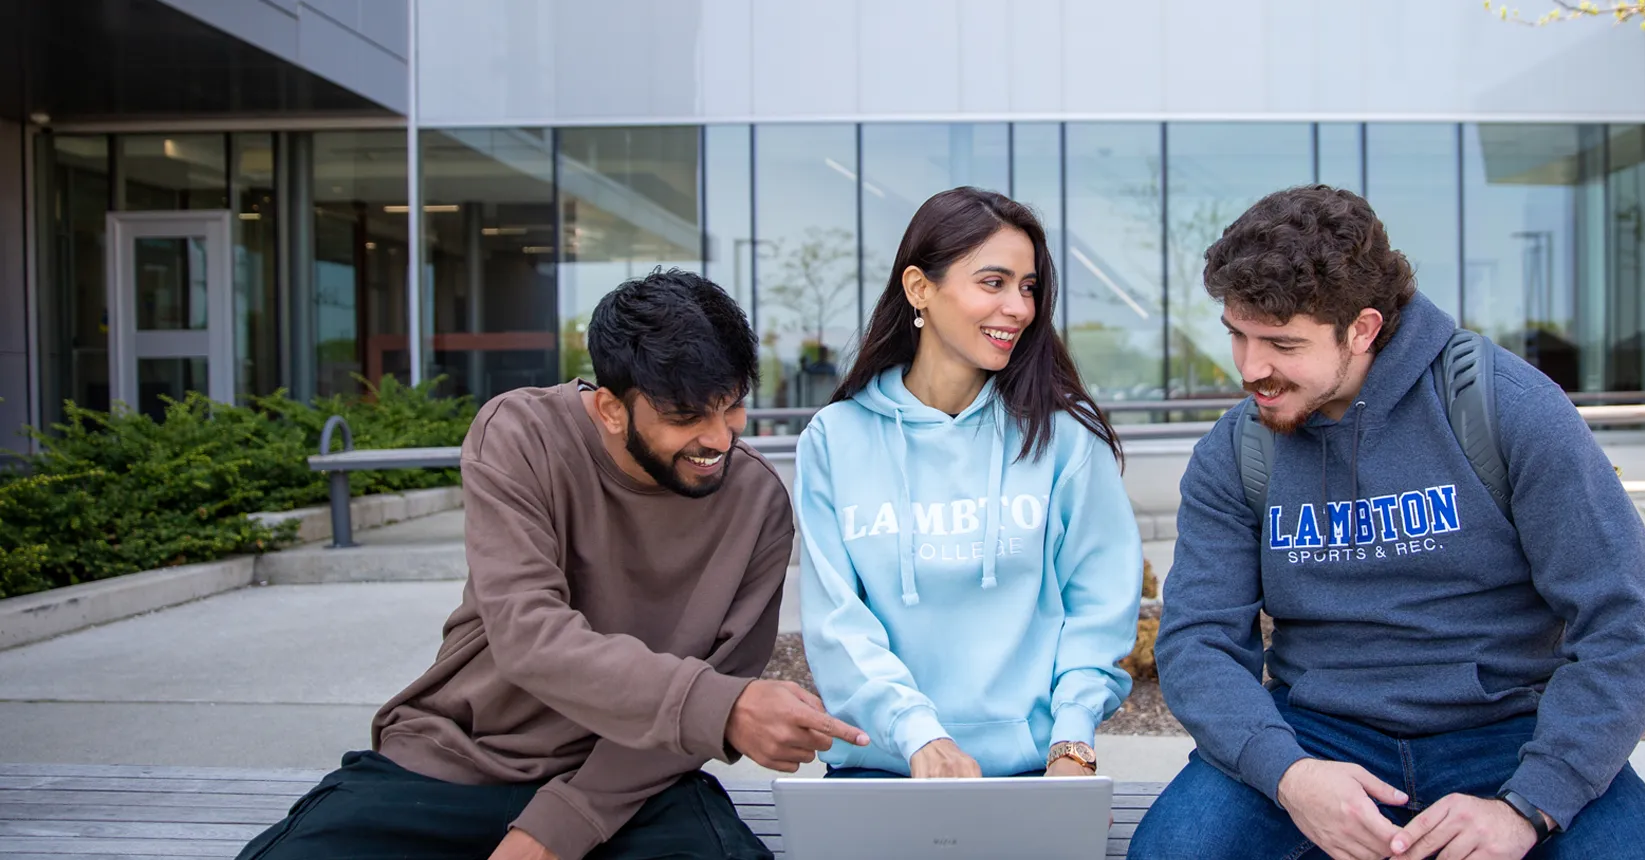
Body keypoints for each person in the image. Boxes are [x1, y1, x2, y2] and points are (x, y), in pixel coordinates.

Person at [1129, 186, 1645, 860]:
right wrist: (1289, 775)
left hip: (1507, 731)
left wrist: (1529, 805)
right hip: (1316, 735)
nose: (1251, 369)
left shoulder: (1505, 408)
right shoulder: (1237, 450)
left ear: (1363, 328)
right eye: (1237, 335)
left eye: (1281, 343)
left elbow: (1628, 624)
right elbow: (1199, 642)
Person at [236, 269, 868, 860]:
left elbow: (719, 682)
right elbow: (530, 636)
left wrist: (562, 823)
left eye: (731, 406)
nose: (720, 439)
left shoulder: (757, 501)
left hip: (636, 781)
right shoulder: (519, 434)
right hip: (461, 756)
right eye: (685, 417)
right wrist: (723, 708)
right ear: (610, 409)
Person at [796, 186, 1143, 781]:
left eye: (1028, 287)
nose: (1019, 307)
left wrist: (1072, 744)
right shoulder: (834, 439)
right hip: (883, 765)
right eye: (993, 282)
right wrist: (918, 735)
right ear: (918, 288)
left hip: (1036, 769)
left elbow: (1098, 607)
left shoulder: (1064, 440)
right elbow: (837, 624)